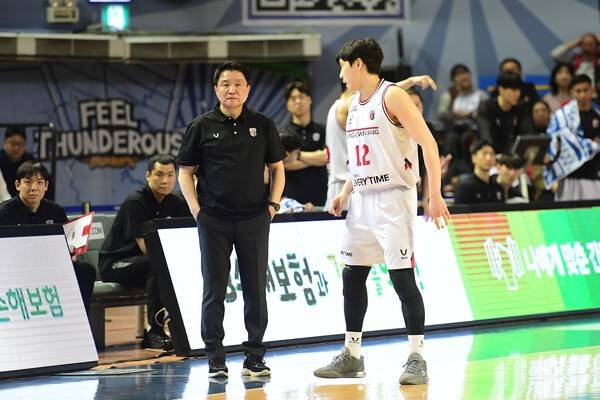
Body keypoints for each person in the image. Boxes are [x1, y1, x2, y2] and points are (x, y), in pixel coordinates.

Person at [313, 38, 450, 385]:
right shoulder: (354, 104)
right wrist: (345, 191)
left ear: (358, 64)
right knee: (352, 275)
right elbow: (363, 157)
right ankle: (352, 354)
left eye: (343, 67)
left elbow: (428, 143)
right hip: (361, 200)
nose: (341, 75)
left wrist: (434, 193)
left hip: (393, 199)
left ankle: (417, 356)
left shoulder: (393, 97)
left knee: (402, 278)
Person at [176, 62, 285, 379]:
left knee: (256, 289)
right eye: (225, 84)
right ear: (216, 90)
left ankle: (254, 356)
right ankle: (215, 358)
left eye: (238, 84)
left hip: (255, 218)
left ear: (248, 89)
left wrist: (273, 205)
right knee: (214, 290)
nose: (232, 89)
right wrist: (197, 211)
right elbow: (185, 172)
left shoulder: (262, 124)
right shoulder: (201, 126)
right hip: (214, 220)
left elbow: (277, 168)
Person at [99, 154, 190, 350]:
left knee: (171, 266)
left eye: (170, 175)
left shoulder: (177, 203)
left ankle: (181, 328)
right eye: (159, 174)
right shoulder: (136, 202)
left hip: (149, 265)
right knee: (157, 264)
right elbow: (147, 249)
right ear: (148, 175)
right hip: (116, 263)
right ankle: (154, 331)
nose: (165, 180)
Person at [324, 76, 439, 210]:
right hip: (348, 182)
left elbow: (382, 97)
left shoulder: (355, 109)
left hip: (357, 182)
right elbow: (383, 97)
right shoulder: (348, 105)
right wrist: (410, 82)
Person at [0, 161, 95, 314]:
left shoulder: (55, 211)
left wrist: (73, 251)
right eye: (27, 182)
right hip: (17, 268)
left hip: (50, 266)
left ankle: (80, 317)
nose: (34, 188)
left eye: (39, 182)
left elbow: (68, 248)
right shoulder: (4, 213)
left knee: (85, 270)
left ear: (46, 186)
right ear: (18, 185)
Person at [544, 74, 600, 201]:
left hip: (594, 175)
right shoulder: (561, 117)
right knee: (568, 212)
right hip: (569, 175)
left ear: (591, 90)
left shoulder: (597, 114)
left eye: (585, 90)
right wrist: (592, 144)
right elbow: (555, 141)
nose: (582, 95)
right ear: (571, 92)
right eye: (578, 91)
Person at [280, 80, 328, 206]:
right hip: (292, 202)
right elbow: (285, 163)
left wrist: (297, 155)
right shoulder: (281, 133)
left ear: (310, 99)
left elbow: (326, 157)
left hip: (322, 199)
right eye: (293, 98)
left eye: (301, 96)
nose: (298, 101)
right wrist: (316, 160)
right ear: (287, 104)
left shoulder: (322, 130)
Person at [477, 72, 535, 153]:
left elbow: (528, 133)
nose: (517, 94)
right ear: (501, 89)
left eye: (519, 90)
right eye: (513, 90)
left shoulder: (521, 108)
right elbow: (486, 135)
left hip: (516, 153)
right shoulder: (487, 107)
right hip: (493, 153)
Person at [437, 64, 488, 133]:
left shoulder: (481, 95)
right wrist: (455, 114)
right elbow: (441, 114)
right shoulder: (448, 96)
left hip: (478, 131)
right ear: (453, 80)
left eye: (465, 73)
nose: (463, 77)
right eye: (459, 75)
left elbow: (487, 114)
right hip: (454, 132)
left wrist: (470, 115)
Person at [453, 140, 504, 204]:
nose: (489, 158)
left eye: (492, 154)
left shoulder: (498, 188)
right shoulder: (464, 187)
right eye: (484, 153)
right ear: (473, 158)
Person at [551, 32, 600, 97]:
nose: (587, 48)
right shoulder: (574, 60)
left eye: (590, 44)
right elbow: (555, 54)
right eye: (584, 44)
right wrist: (576, 42)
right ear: (580, 46)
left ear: (597, 45)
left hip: (596, 97)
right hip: (576, 97)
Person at [0, 126, 35, 198]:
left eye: (19, 144)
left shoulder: (30, 161)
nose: (16, 147)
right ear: (5, 142)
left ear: (25, 144)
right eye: (12, 143)